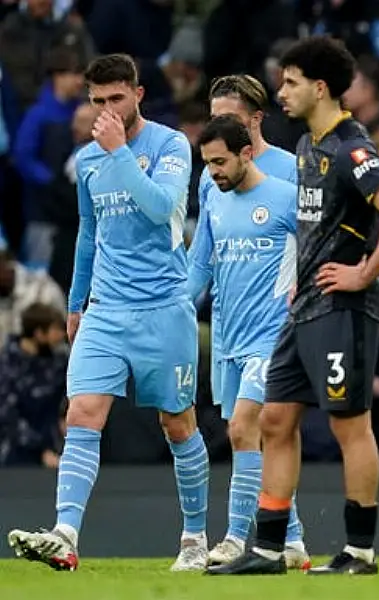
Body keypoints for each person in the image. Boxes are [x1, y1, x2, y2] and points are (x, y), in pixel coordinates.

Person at [206, 35, 379, 576]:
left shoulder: (352, 147)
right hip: (304, 310)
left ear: (320, 87)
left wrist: (363, 272)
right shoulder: (306, 147)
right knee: (275, 420)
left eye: (291, 82)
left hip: (343, 309)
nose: (281, 92)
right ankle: (270, 550)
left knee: (351, 425)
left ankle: (360, 552)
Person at [7, 53, 207, 572]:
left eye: (116, 98)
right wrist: (76, 303)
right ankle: (65, 533)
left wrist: (119, 152)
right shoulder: (89, 159)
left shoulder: (170, 145)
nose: (107, 110)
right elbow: (90, 236)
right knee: (81, 415)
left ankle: (194, 538)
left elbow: (163, 207)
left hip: (164, 306)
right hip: (107, 310)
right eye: (97, 102)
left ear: (138, 94)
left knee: (178, 424)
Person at [187, 74, 309, 569]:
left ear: (255, 122)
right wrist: (178, 309)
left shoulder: (290, 176)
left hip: (275, 330)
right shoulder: (214, 177)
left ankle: (237, 539)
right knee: (255, 440)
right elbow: (202, 258)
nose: (219, 129)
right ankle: (293, 539)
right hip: (228, 330)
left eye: (230, 120)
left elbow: (315, 245)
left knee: (247, 428)